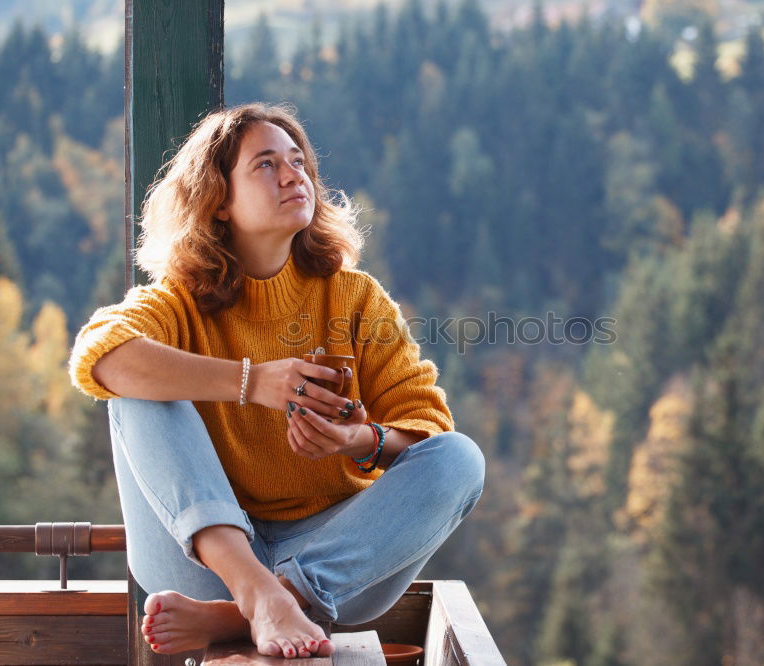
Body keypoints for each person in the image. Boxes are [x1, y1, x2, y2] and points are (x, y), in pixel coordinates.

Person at [68, 103, 485, 659]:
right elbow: (99, 358)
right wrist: (251, 381)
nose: (294, 175)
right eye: (265, 164)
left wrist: (359, 440)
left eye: (298, 162)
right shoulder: (176, 304)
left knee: (461, 459)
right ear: (218, 200)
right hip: (204, 560)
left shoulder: (355, 298)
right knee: (138, 396)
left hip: (337, 568)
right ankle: (252, 592)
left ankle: (261, 605)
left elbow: (429, 432)